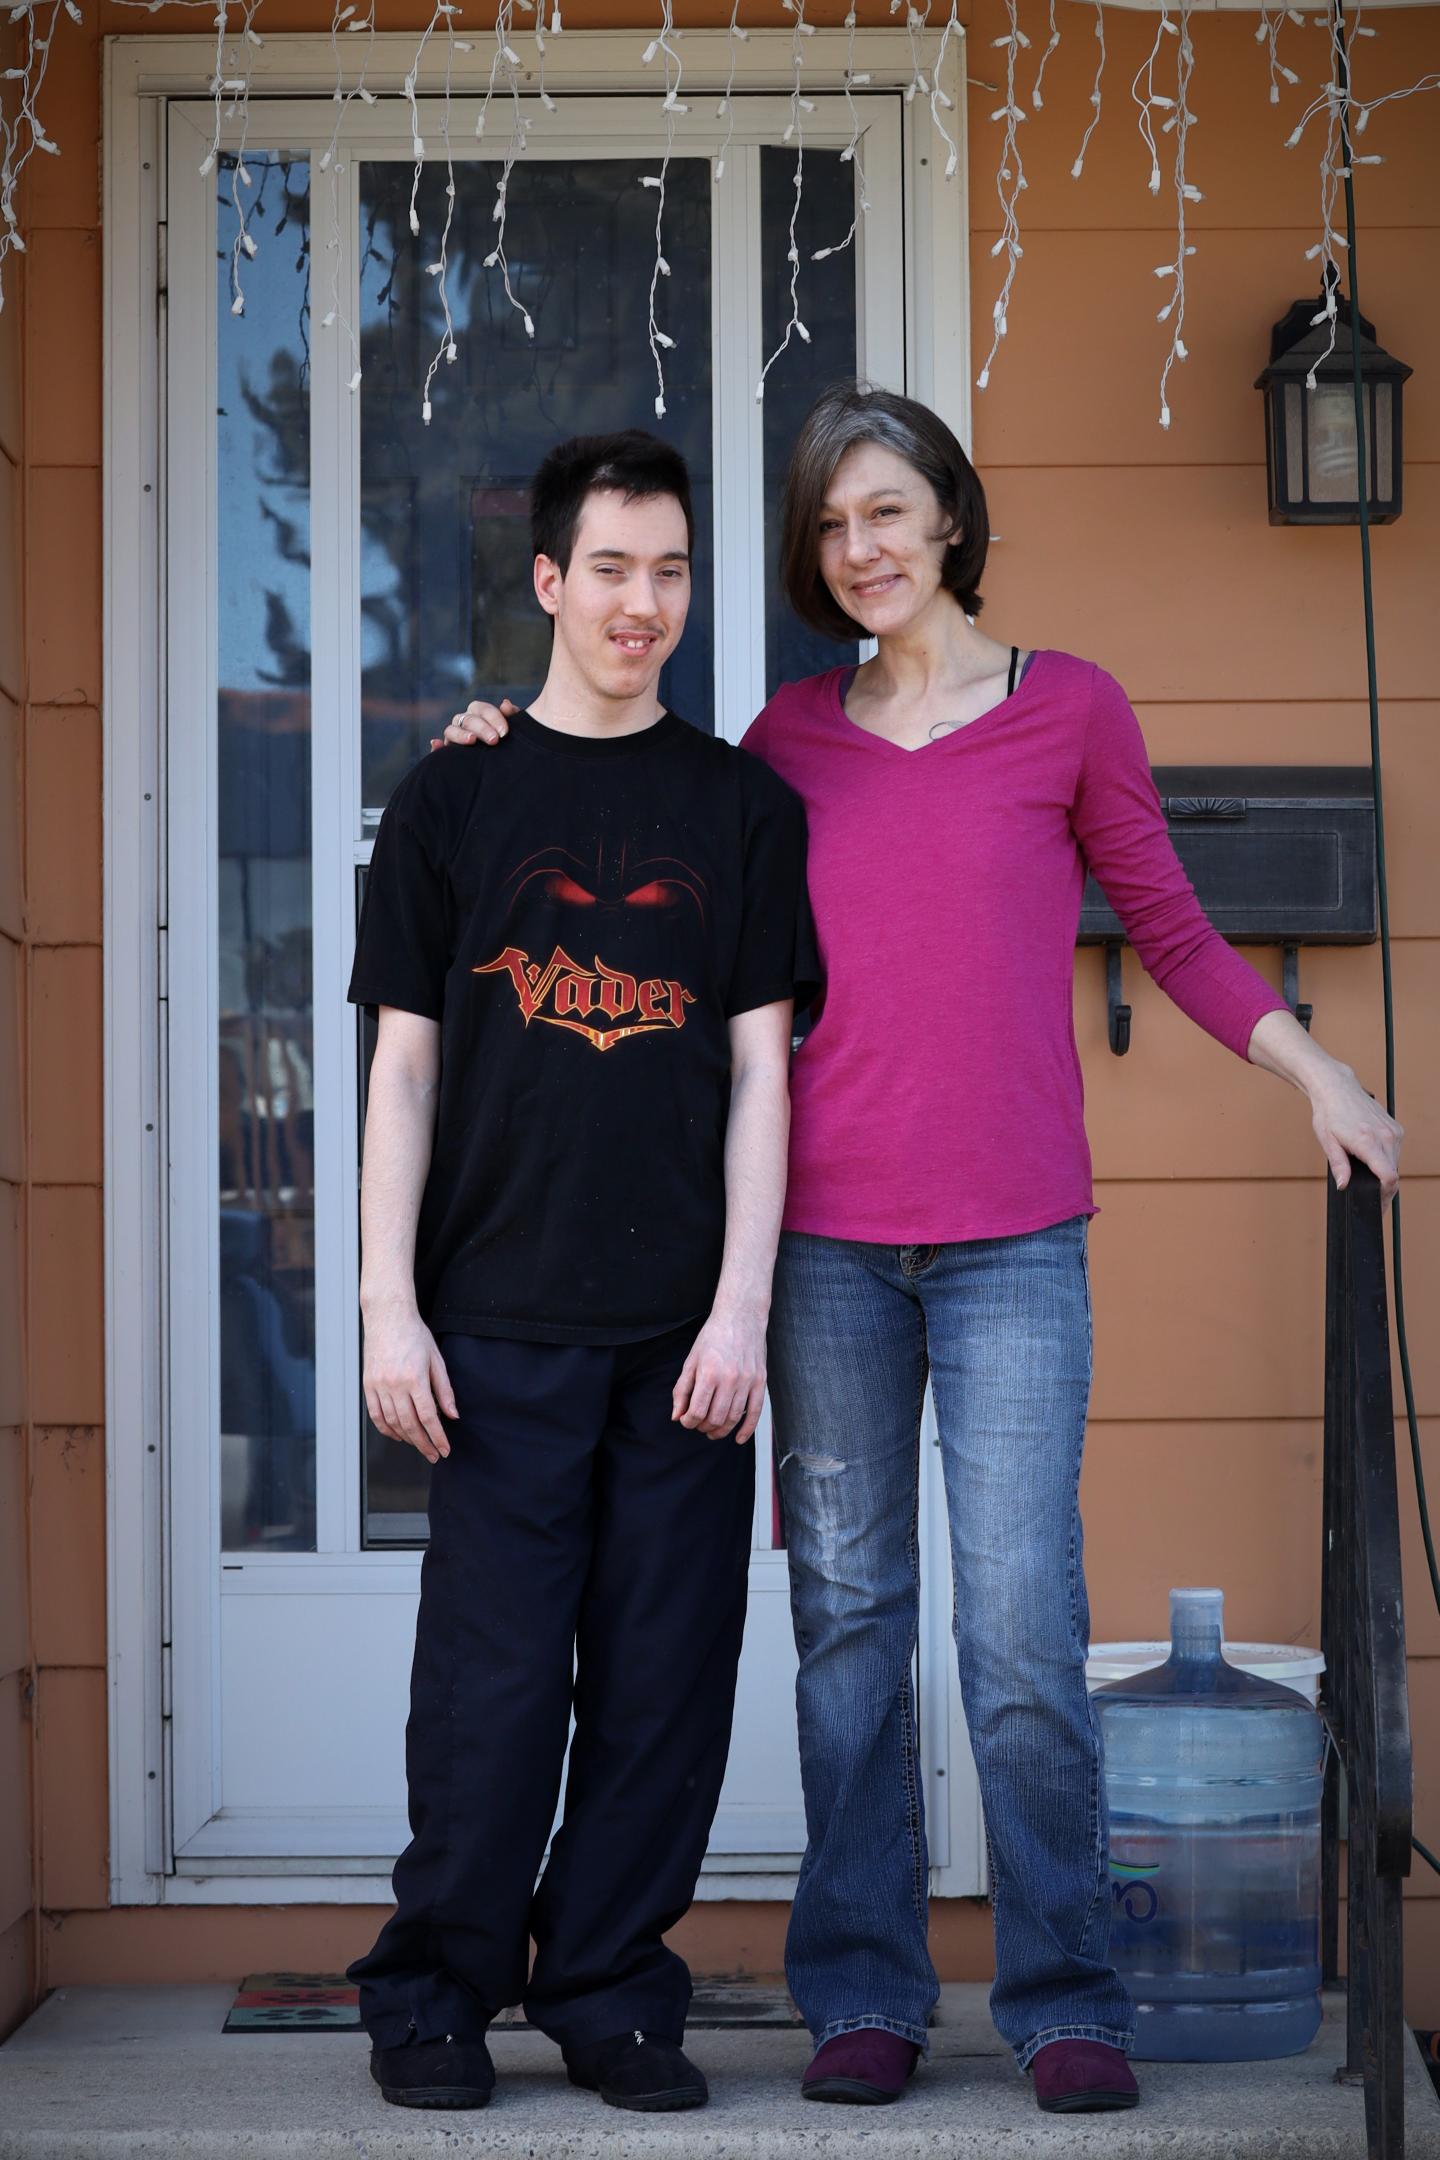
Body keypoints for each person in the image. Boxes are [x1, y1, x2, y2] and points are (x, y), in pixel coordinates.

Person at [440, 381, 1402, 2118]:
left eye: (887, 512)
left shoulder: (1071, 713)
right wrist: (483, 747)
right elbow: (624, 808)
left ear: (950, 518)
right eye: (831, 525)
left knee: (1024, 1631)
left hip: (1015, 1240)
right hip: (818, 1248)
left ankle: (1060, 1991)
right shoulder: (780, 745)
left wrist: (1313, 1065)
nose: (861, 548)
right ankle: (865, 1988)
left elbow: (1172, 927)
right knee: (849, 1629)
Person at [348, 428, 817, 2116]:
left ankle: (614, 1987)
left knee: (663, 1680)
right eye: (610, 568)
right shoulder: (455, 794)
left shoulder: (745, 807)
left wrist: (743, 1308)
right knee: (488, 1687)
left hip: (683, 1333)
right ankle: (437, 1994)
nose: (643, 602)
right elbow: (403, 1070)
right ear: (548, 582)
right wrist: (384, 1303)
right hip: (492, 1325)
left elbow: (764, 1072)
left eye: (671, 569)